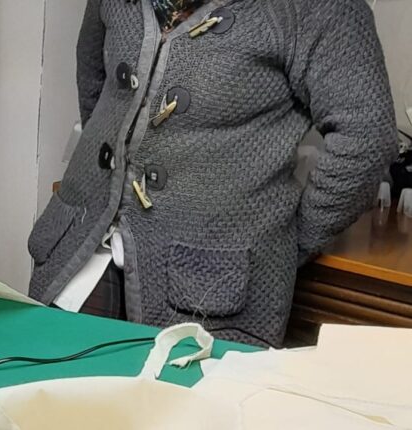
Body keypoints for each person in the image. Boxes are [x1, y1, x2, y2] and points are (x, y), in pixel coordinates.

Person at [27, 0, 397, 347]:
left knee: (179, 411)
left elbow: (366, 139)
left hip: (209, 284)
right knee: (41, 397)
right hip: (81, 255)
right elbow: (94, 82)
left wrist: (281, 239)